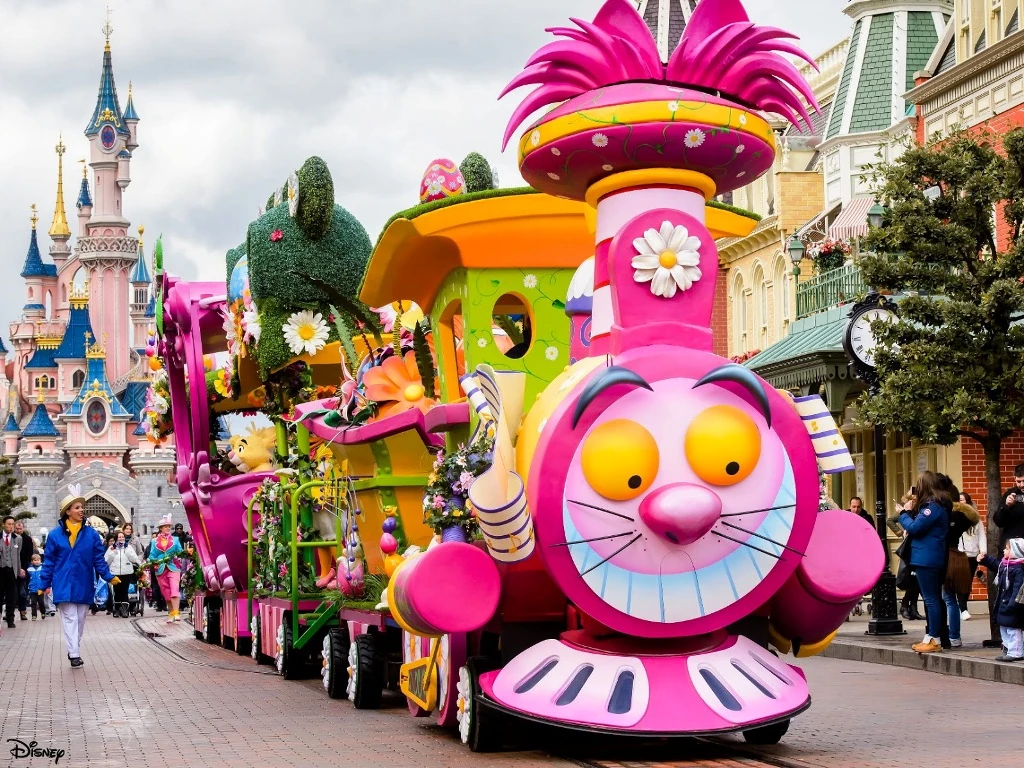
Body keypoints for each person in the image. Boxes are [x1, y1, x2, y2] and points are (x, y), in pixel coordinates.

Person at [38, 486, 119, 668]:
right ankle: (74, 653)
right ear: (67, 511)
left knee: (81, 618)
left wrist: (108, 576)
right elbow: (49, 562)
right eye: (76, 507)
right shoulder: (54, 535)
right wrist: (44, 583)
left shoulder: (91, 535)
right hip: (63, 582)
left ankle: (74, 647)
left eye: (82, 507)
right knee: (70, 618)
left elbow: (98, 559)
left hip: (83, 582)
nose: (81, 510)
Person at [898, 471, 950, 654]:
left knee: (931, 599)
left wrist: (903, 513)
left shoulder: (932, 508)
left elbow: (914, 527)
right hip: (928, 557)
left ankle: (934, 639)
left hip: (927, 558)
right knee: (930, 599)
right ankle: (931, 637)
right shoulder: (933, 507)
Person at [937, 474, 978, 649]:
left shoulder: (940, 513)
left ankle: (941, 635)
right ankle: (955, 636)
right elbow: (974, 517)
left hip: (942, 556)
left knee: (943, 598)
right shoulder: (962, 517)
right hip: (957, 555)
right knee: (951, 599)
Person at [978, 538, 1024, 662]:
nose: (1004, 550)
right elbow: (995, 565)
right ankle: (1008, 648)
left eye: (1007, 548)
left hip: (1012, 605)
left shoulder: (1018, 569)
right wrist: (985, 559)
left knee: (1013, 630)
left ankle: (1016, 651)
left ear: (1015, 551)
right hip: (1003, 603)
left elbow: (1018, 590)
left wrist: (1013, 604)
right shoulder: (1006, 565)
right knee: (1004, 627)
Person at [148, 515, 184, 623]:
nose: (168, 528)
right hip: (160, 569)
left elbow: (180, 552)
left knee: (174, 589)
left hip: (173, 567)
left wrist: (178, 557)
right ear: (161, 528)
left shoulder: (176, 539)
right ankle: (171, 613)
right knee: (166, 592)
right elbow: (152, 555)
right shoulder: (154, 541)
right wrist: (154, 561)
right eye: (166, 526)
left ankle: (177, 612)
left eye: (169, 526)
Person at [957, 491, 986, 621]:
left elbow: (981, 535)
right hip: (959, 554)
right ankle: (963, 609)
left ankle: (963, 607)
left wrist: (982, 551)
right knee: (961, 581)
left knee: (967, 583)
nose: (960, 502)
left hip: (973, 554)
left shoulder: (975, 518)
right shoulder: (954, 516)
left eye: (962, 499)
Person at [105, 531, 141, 618]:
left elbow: (134, 558)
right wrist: (113, 553)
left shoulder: (128, 547)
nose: (121, 538)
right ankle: (117, 609)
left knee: (125, 591)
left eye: (122, 537)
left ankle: (125, 610)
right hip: (115, 572)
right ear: (116, 538)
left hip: (126, 572)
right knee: (117, 592)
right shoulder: (111, 548)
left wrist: (141, 565)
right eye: (119, 537)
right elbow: (106, 561)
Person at [1, 515, 24, 628]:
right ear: (3, 524)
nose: (11, 526)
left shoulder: (18, 539)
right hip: (1, 569)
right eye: (9, 524)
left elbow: (18, 555)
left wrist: (19, 570)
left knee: (12, 596)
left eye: (12, 524)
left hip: (12, 570)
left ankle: (10, 619)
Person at [993, 464, 1024, 545]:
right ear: (1014, 478)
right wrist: (1006, 507)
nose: (1022, 485)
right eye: (1019, 481)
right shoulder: (1010, 494)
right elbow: (998, 521)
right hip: (1012, 545)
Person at [14, 520, 34, 621]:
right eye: (16, 529)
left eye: (20, 528)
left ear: (23, 528)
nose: (18, 530)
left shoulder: (27, 539)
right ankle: (10, 612)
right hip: (11, 569)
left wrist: (23, 568)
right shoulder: (11, 538)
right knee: (12, 592)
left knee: (22, 591)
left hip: (23, 568)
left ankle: (23, 612)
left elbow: (29, 555)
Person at [26, 554, 46, 620]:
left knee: (41, 602)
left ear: (40, 560)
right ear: (32, 561)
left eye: (38, 560)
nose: (37, 561)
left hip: (40, 589)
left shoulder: (42, 568)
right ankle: (34, 615)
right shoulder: (29, 569)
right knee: (33, 603)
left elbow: (45, 577)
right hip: (32, 589)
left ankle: (43, 612)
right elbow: (27, 579)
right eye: (35, 560)